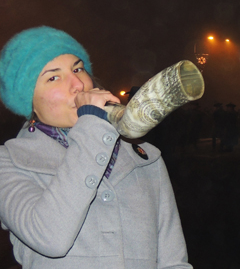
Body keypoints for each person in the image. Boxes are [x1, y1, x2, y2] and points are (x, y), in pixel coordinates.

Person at [0, 26, 190, 268]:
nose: (78, 84)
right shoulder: (8, 162)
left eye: (78, 69)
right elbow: (50, 238)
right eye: (53, 77)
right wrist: (91, 124)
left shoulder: (146, 158)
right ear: (29, 100)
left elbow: (173, 260)